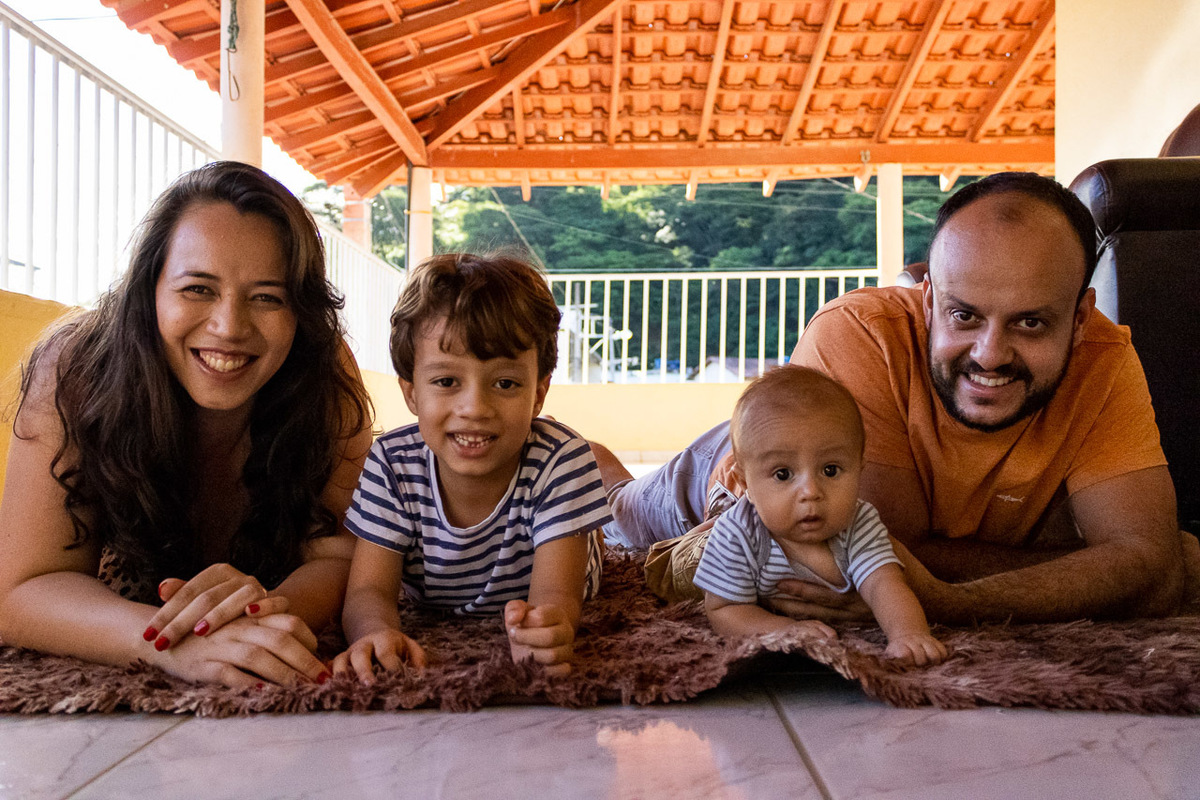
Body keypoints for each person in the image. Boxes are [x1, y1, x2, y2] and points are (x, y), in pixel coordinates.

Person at [596, 171, 1191, 624]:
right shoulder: (859, 333)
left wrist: (951, 599)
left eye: (1030, 323)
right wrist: (1079, 564)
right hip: (724, 481)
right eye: (963, 316)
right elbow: (863, 544)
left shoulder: (1105, 360)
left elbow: (1146, 559)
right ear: (928, 302)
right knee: (618, 512)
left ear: (1081, 319)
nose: (989, 354)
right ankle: (601, 466)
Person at [0, 161, 374, 689]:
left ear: (301, 311)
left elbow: (340, 552)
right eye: (198, 288)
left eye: (267, 297)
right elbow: (21, 589)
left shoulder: (323, 371)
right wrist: (168, 642)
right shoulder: (73, 370)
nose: (229, 327)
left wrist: (257, 613)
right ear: (149, 290)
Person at [332, 253, 612, 683]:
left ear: (538, 394)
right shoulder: (391, 463)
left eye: (505, 384)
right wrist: (376, 632)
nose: (474, 409)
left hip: (575, 542)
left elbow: (556, 596)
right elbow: (369, 589)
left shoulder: (562, 463)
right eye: (446, 382)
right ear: (411, 394)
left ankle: (608, 482)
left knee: (618, 504)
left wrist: (547, 628)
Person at [693, 365, 947, 665]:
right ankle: (622, 492)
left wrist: (908, 634)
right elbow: (723, 609)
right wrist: (784, 629)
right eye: (783, 474)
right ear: (746, 482)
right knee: (663, 557)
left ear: (860, 469)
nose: (810, 491)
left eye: (830, 470)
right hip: (686, 492)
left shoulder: (859, 522)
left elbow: (884, 585)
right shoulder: (737, 531)